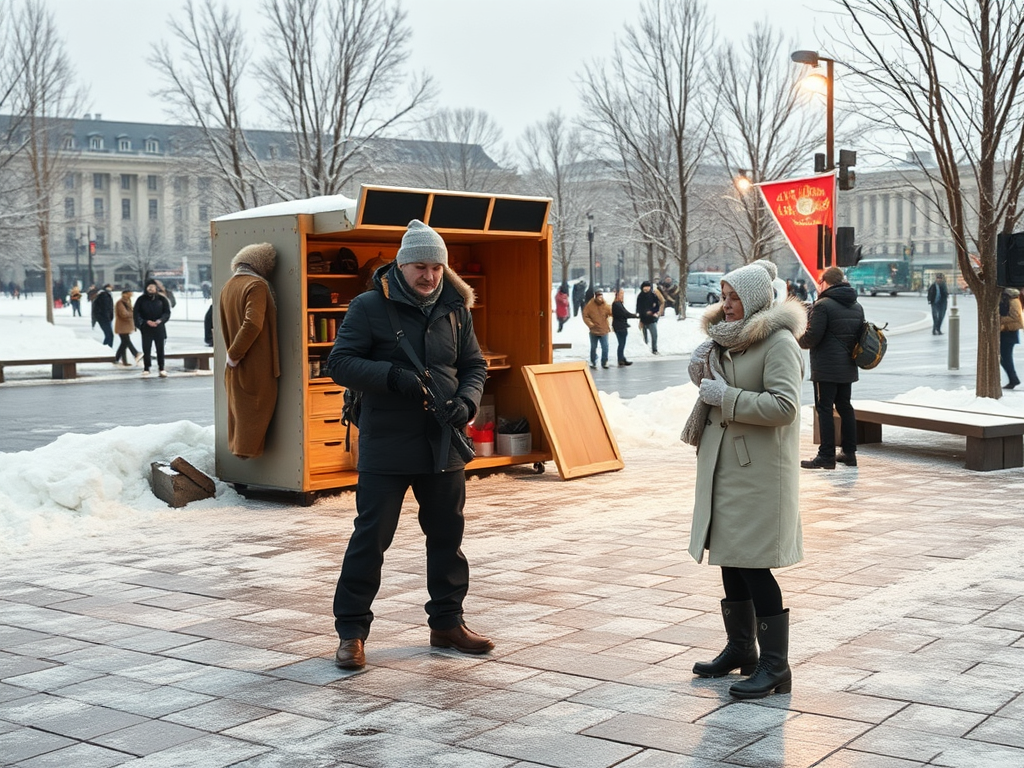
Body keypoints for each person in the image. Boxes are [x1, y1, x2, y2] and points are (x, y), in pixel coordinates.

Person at [327, 219, 490, 670]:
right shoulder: (368, 306)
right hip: (387, 444)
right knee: (370, 539)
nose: (430, 276)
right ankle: (352, 633)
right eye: (420, 266)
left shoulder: (456, 308)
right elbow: (339, 363)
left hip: (444, 443)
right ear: (401, 265)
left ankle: (447, 623)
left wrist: (467, 402)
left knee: (447, 538)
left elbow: (474, 364)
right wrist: (391, 377)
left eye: (437, 267)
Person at [682, 262, 806, 699]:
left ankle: (776, 666)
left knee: (755, 565)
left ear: (754, 299)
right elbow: (714, 388)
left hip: (759, 474)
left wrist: (726, 397)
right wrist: (703, 371)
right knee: (731, 559)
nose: (726, 305)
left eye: (734, 297)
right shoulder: (727, 341)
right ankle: (742, 649)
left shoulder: (779, 343)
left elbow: (785, 407)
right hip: (725, 467)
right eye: (723, 295)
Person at [798, 266, 865, 469]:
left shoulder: (823, 305)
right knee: (845, 407)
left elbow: (811, 338)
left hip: (826, 368)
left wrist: (796, 336)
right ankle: (849, 453)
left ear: (825, 282)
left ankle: (826, 455)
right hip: (848, 366)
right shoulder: (856, 306)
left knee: (824, 408)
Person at [220, 243, 280, 458]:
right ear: (261, 264)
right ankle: (246, 457)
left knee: (239, 416)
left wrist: (233, 356)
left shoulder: (229, 285)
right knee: (252, 418)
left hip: (236, 367)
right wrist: (235, 354)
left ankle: (242, 469)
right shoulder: (257, 285)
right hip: (256, 365)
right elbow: (253, 323)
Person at [134, 279, 172, 377]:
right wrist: (145, 322)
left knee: (160, 348)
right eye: (149, 287)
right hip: (146, 327)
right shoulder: (141, 299)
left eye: (153, 287)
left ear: (156, 288)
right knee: (146, 348)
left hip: (159, 327)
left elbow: (167, 312)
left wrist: (161, 320)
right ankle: (147, 367)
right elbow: (136, 314)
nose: (151, 289)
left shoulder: (162, 299)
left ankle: (161, 367)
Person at [582, 289, 612, 369]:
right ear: (595, 296)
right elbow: (585, 315)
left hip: (603, 329)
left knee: (605, 347)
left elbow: (611, 313)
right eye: (598, 296)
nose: (600, 297)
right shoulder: (590, 305)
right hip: (594, 330)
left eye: (601, 295)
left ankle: (604, 361)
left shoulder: (605, 305)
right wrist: (591, 324)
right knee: (593, 347)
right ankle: (593, 361)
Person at [1000, 287, 1022, 389]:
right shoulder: (1006, 299)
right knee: (1004, 357)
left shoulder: (1013, 300)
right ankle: (1013, 379)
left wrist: (999, 319)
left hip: (1009, 332)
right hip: (1004, 331)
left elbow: (1015, 317)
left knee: (1005, 357)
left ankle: (1013, 379)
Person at [114, 288, 141, 366]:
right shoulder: (120, 303)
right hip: (122, 326)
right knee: (126, 341)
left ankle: (118, 359)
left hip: (125, 326)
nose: (130, 295)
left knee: (124, 343)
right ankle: (135, 353)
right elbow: (123, 314)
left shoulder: (127, 301)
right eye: (129, 294)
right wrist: (133, 314)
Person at [611, 288, 636, 366]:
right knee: (621, 344)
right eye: (621, 294)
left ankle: (622, 358)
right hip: (620, 326)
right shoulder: (616, 304)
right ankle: (620, 359)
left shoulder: (618, 304)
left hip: (620, 325)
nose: (622, 296)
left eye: (623, 294)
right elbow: (625, 314)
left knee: (622, 344)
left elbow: (625, 313)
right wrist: (635, 315)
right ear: (617, 295)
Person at [636, 280, 661, 354]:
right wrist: (641, 317)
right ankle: (645, 349)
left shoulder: (653, 295)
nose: (646, 288)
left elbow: (657, 306)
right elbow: (638, 308)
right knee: (644, 336)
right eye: (645, 287)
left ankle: (654, 349)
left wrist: (652, 311)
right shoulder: (640, 296)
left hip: (651, 318)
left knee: (654, 335)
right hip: (643, 319)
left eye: (648, 287)